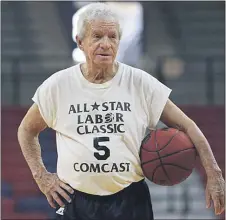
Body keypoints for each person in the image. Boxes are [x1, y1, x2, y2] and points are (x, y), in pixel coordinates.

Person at [17, 3, 225, 220]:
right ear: (80, 41)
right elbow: (26, 130)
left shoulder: (140, 83)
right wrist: (41, 176)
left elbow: (186, 125)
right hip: (75, 200)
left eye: (112, 37)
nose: (105, 44)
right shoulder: (58, 85)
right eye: (97, 36)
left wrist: (214, 173)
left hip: (130, 199)